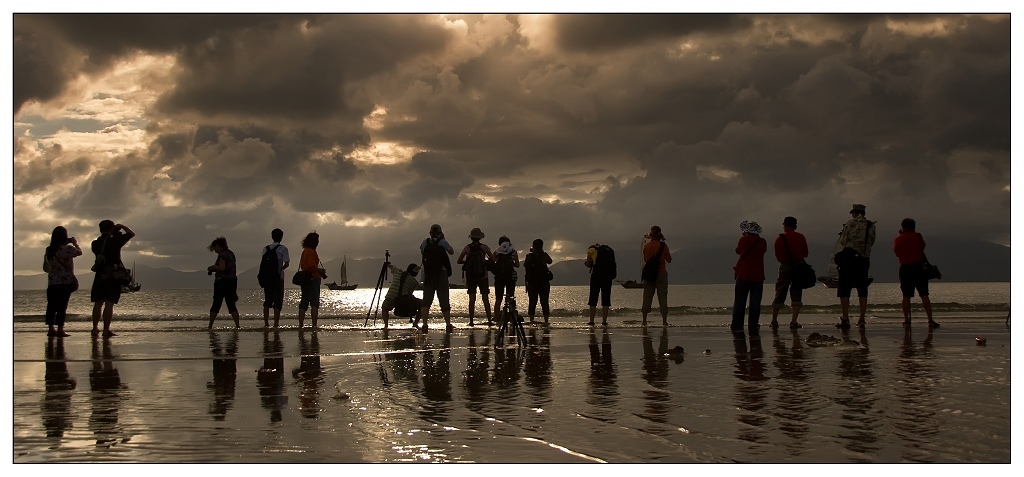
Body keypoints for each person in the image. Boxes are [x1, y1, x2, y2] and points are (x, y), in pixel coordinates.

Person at [89, 220, 135, 337]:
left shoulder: (95, 244)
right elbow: (131, 234)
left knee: (98, 303)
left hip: (100, 275)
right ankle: (106, 330)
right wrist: (122, 226)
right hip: (113, 276)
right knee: (109, 303)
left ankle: (94, 329)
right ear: (112, 229)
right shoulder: (115, 241)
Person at [894, 218, 940, 329]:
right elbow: (922, 247)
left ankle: (906, 320)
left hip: (905, 268)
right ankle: (930, 320)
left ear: (903, 226)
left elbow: (896, 252)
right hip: (919, 268)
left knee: (906, 296)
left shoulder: (899, 239)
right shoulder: (918, 236)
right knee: (924, 295)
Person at [836, 204, 876, 329]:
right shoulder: (871, 225)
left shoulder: (850, 223)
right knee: (862, 290)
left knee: (844, 290)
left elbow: (842, 241)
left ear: (854, 213)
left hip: (849, 260)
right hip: (864, 260)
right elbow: (872, 242)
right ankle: (862, 319)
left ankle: (845, 318)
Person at [770, 216, 808, 330]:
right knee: (796, 292)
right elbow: (805, 253)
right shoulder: (801, 237)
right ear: (795, 226)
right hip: (799, 266)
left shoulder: (779, 239)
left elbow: (778, 256)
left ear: (785, 226)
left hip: (785, 266)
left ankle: (774, 320)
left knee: (780, 291)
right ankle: (793, 321)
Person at [44, 226, 82, 337]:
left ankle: (51, 329)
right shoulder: (68, 249)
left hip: (52, 282)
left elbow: (46, 267)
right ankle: (60, 329)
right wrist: (75, 243)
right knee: (62, 306)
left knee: (51, 306)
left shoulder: (49, 249)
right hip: (65, 282)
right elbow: (79, 252)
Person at [731, 221, 767, 333]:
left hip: (744, 274)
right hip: (758, 276)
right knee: (755, 303)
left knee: (740, 302)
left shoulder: (743, 240)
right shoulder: (762, 242)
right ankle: (753, 324)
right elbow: (763, 251)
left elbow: (738, 251)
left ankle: (737, 325)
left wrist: (744, 237)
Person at [419, 224, 455, 332]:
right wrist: (443, 239)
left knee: (426, 300)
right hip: (441, 273)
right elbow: (451, 251)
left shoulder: (425, 243)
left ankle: (425, 325)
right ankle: (448, 324)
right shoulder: (442, 242)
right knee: (444, 298)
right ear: (440, 233)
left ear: (430, 233)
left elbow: (422, 253)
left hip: (428, 274)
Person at [457, 227, 493, 327]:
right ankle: (489, 320)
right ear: (480, 237)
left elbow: (459, 261)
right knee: (485, 299)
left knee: (472, 299)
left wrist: (467, 262)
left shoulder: (467, 248)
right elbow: (493, 260)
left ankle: (471, 321)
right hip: (483, 276)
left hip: (471, 276)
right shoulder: (484, 247)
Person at [641, 225, 672, 327]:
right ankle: (664, 322)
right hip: (661, 273)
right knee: (662, 297)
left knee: (647, 297)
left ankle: (644, 321)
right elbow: (669, 260)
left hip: (649, 274)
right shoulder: (663, 245)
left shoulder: (646, 246)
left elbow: (645, 260)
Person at [206, 237, 240, 329]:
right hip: (232, 281)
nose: (214, 250)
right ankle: (237, 326)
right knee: (231, 304)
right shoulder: (231, 254)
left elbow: (222, 267)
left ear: (218, 246)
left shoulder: (222, 255)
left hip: (222, 282)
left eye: (214, 248)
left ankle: (210, 326)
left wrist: (212, 267)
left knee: (216, 304)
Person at [260, 229, 290, 328]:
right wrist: (280, 269)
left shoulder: (265, 248)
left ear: (272, 236)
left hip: (268, 278)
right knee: (277, 301)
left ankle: (266, 323)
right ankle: (276, 324)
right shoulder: (283, 248)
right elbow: (287, 263)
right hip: (278, 277)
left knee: (267, 301)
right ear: (281, 237)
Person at [381, 262, 423, 330]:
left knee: (384, 308)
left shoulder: (398, 271)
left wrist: (388, 264)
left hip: (391, 296)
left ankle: (386, 326)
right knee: (422, 305)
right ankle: (415, 323)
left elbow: (392, 267)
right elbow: (410, 293)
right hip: (404, 299)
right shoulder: (414, 281)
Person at [297, 232, 326, 329]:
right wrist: (319, 270)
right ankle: (314, 325)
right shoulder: (311, 252)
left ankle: (301, 325)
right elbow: (311, 266)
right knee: (314, 303)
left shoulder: (305, 251)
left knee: (304, 302)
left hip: (305, 279)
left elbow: (304, 265)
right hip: (313, 278)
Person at [523, 238, 553, 323]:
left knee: (532, 302)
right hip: (544, 282)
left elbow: (525, 265)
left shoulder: (529, 256)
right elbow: (550, 261)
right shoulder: (544, 255)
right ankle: (546, 321)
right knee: (544, 302)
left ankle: (531, 320)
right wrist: (542, 252)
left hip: (532, 282)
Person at [492, 236, 520, 325]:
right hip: (511, 277)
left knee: (498, 299)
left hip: (499, 277)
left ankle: (496, 320)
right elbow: (517, 265)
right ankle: (512, 320)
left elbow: (492, 262)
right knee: (510, 298)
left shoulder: (496, 251)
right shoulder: (513, 251)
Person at [586, 243, 615, 326]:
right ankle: (604, 321)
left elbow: (588, 264)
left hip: (596, 276)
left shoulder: (591, 250)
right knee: (606, 299)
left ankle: (591, 321)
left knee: (593, 298)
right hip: (607, 277)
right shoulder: (609, 251)